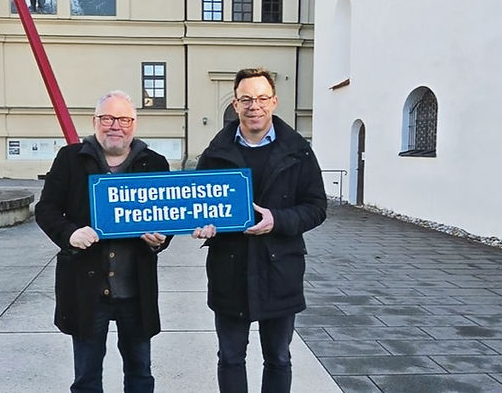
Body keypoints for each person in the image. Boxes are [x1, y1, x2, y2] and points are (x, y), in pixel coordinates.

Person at [193, 68, 327, 393]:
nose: (255, 106)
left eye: (262, 98)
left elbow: (316, 207)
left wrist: (277, 220)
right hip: (230, 270)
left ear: (274, 101)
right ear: (236, 104)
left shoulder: (299, 151)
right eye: (247, 99)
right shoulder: (213, 154)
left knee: (279, 358)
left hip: (280, 271)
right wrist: (202, 226)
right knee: (230, 357)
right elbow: (197, 205)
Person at [36, 90, 170, 393]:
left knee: (140, 374)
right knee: (86, 377)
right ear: (95, 121)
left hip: (135, 289)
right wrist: (69, 233)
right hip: (86, 288)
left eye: (123, 119)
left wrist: (159, 239)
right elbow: (46, 209)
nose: (115, 126)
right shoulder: (71, 158)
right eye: (108, 118)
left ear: (134, 124)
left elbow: (167, 217)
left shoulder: (154, 163)